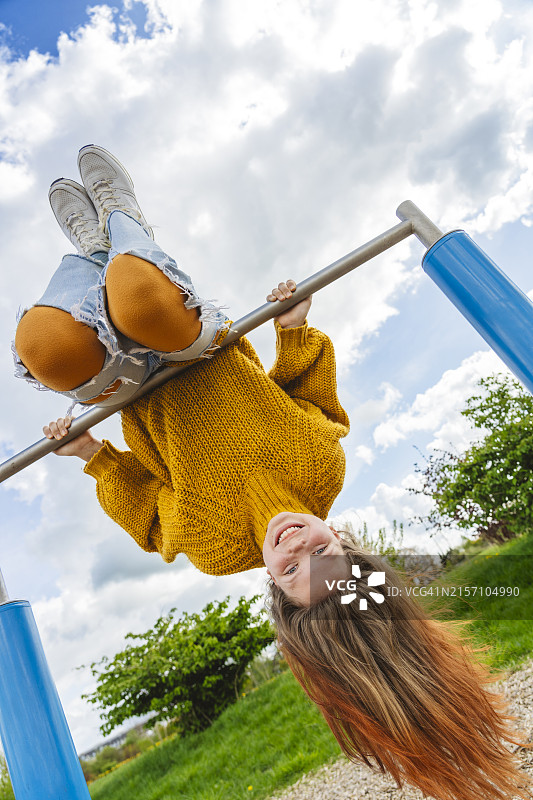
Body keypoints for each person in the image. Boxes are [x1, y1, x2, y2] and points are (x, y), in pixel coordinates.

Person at [16, 146, 530, 800]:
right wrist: (293, 329)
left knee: (47, 349)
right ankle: (118, 222)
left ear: (275, 594)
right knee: (142, 304)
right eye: (319, 550)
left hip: (130, 392)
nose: (295, 543)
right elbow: (310, 398)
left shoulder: (212, 544)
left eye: (292, 570)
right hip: (190, 343)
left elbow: (148, 513)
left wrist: (92, 456)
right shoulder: (322, 465)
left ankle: (93, 251)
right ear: (341, 539)